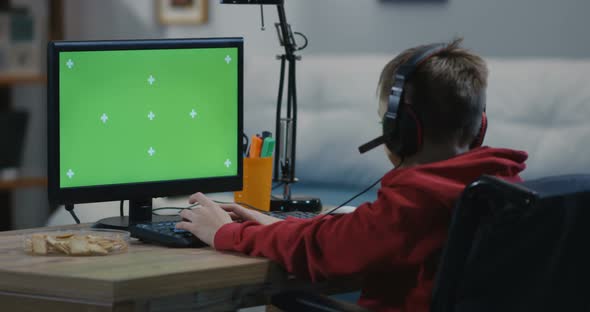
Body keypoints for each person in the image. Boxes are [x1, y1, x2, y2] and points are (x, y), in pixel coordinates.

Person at [176, 38, 528, 312]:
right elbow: (348, 234)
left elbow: (320, 251)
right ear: (479, 126)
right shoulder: (500, 187)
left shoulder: (415, 202)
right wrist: (270, 225)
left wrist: (225, 233)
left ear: (400, 131)